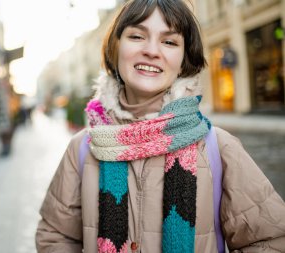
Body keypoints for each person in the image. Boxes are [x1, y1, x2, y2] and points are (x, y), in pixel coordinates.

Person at [35, 0, 285, 252]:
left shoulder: (218, 147)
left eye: (169, 42)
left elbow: (271, 240)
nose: (152, 51)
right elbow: (55, 236)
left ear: (184, 59)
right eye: (137, 36)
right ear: (116, 46)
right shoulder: (82, 149)